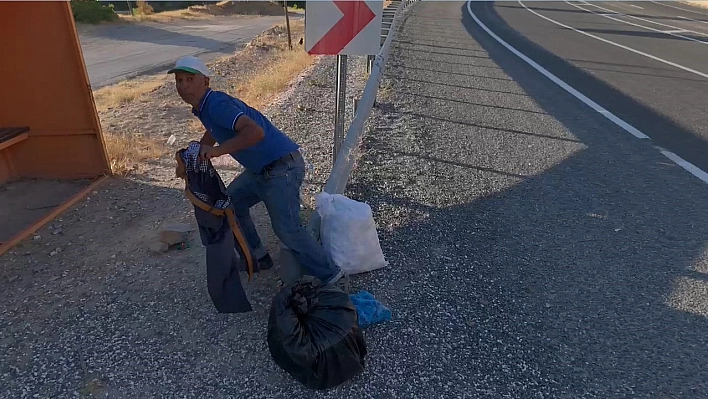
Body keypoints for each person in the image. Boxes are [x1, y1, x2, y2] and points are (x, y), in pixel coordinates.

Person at [168, 55, 347, 290]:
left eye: (190, 79)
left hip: (281, 169)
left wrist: (216, 152)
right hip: (259, 171)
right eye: (179, 80)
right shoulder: (205, 107)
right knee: (231, 205)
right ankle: (258, 257)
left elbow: (255, 133)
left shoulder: (216, 104)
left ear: (206, 81)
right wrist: (201, 149)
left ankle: (332, 277)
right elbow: (214, 129)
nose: (183, 86)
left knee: (288, 230)